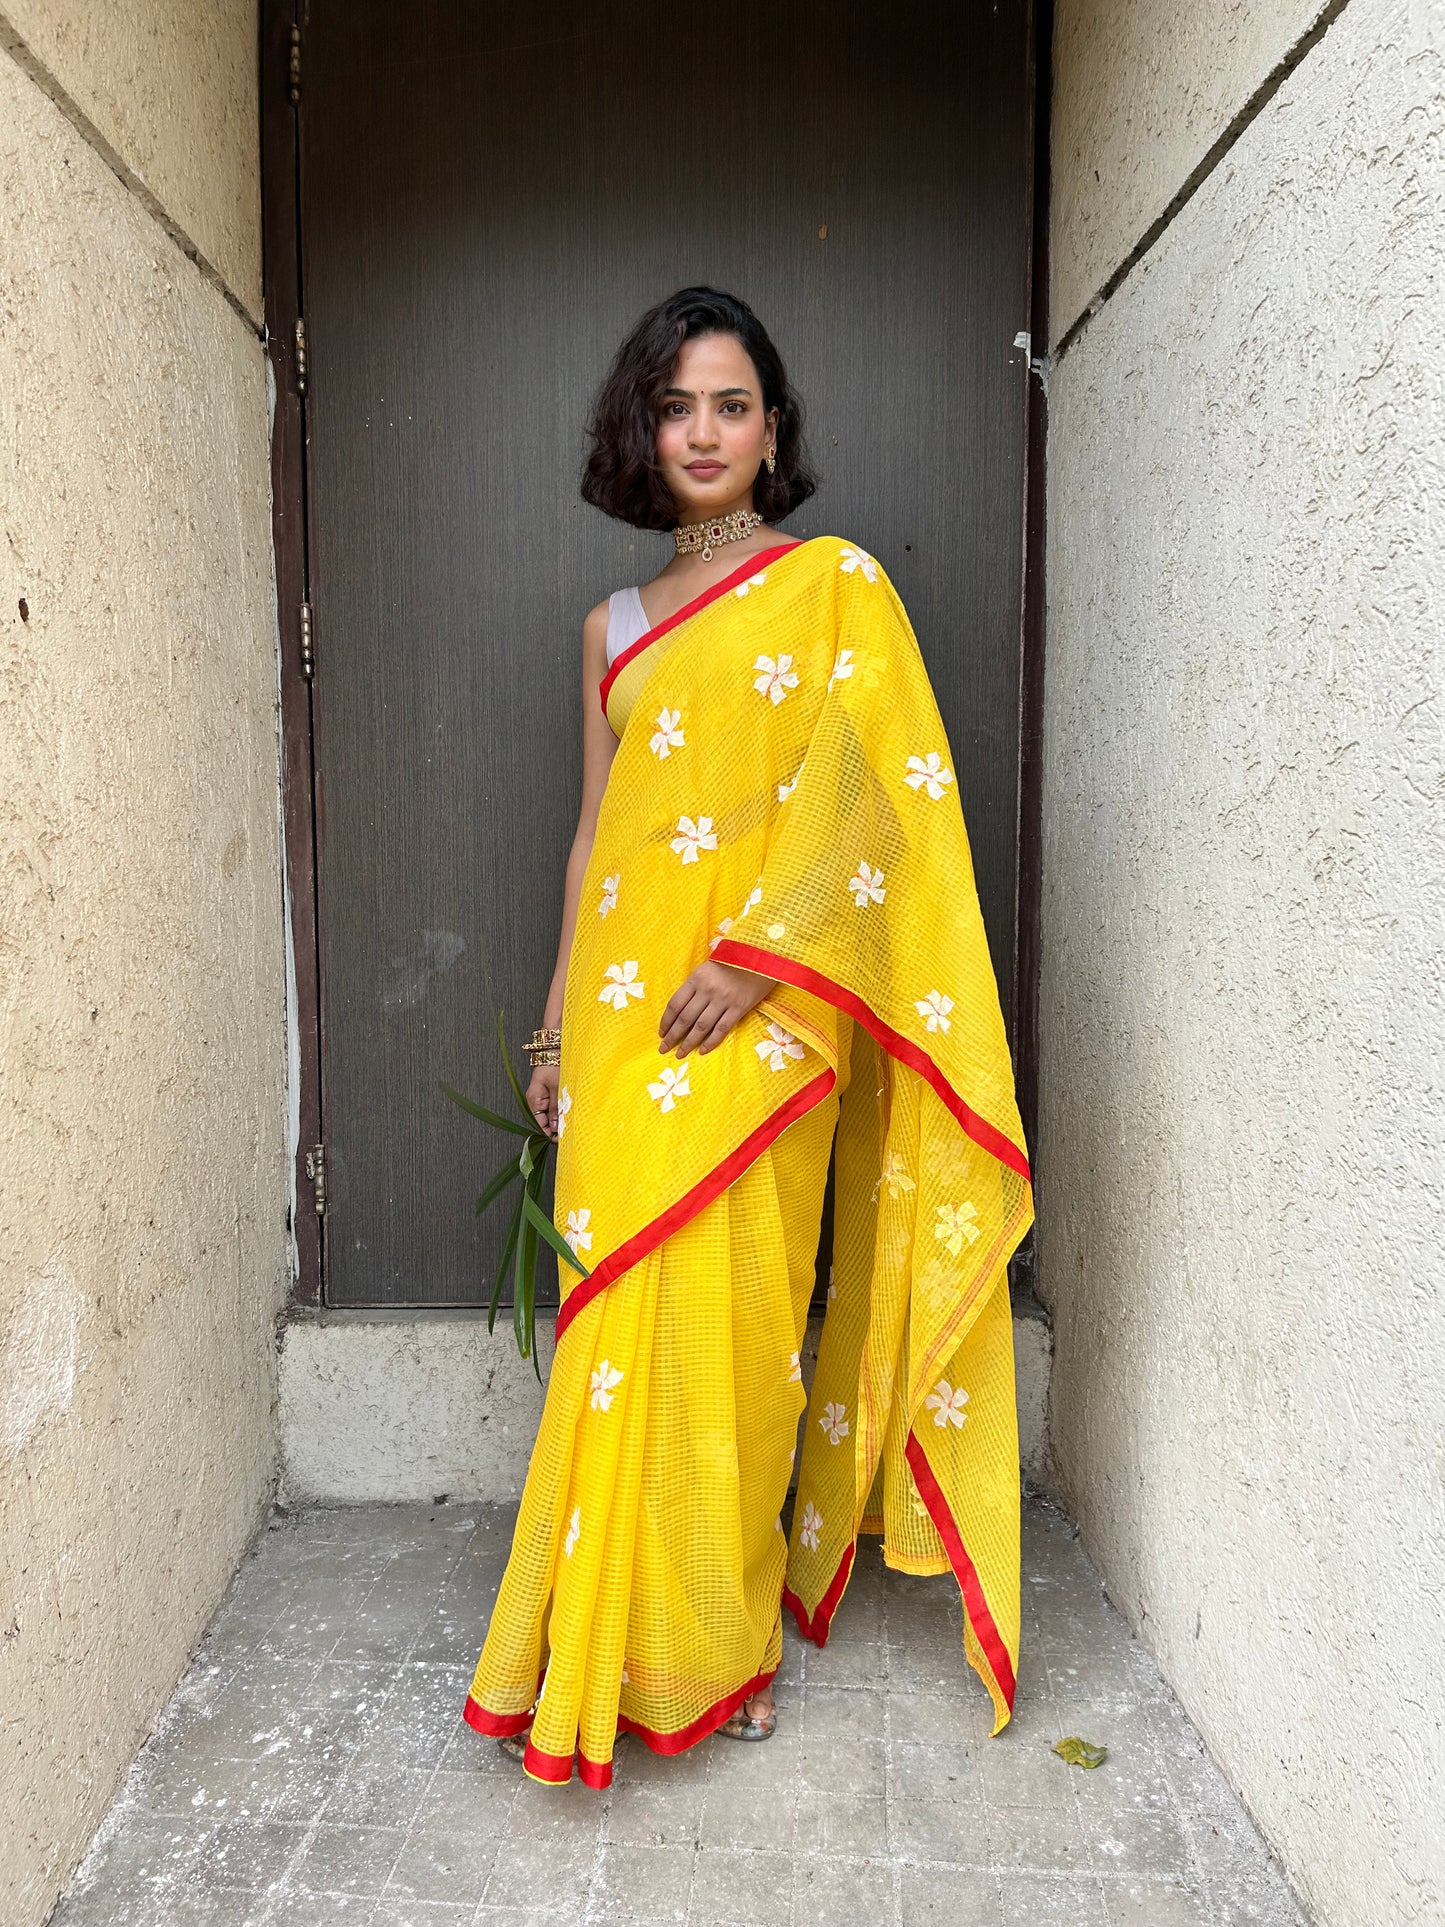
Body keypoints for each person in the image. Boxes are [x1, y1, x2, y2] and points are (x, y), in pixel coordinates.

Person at [462, 286, 1033, 1788]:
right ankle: (595, 1643)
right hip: (620, 1021)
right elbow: (595, 844)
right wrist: (547, 1031)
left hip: (761, 1014)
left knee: (733, 1337)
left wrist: (761, 967)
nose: (702, 432)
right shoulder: (611, 624)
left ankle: (721, 1646)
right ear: (639, 434)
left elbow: (871, 800)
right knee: (619, 1336)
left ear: (773, 428)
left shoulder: (832, 588)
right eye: (675, 406)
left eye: (730, 404)